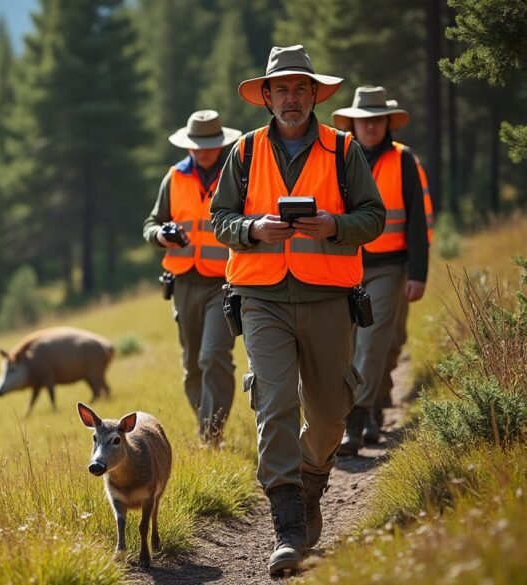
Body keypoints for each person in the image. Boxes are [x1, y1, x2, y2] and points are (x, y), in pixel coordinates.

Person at [210, 45, 385, 576]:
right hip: (260, 299)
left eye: (300, 89)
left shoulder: (342, 149)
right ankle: (287, 525)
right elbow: (220, 219)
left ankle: (310, 481)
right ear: (266, 97)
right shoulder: (241, 153)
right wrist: (252, 229)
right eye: (281, 89)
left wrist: (335, 225)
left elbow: (373, 217)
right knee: (275, 405)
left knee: (332, 413)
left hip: (330, 298)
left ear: (315, 95)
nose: (291, 98)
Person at [332, 87, 433, 455]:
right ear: (354, 124)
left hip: (390, 266)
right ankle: (371, 409)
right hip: (345, 266)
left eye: (377, 120)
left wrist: (418, 272)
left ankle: (356, 421)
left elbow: (419, 220)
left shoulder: (404, 160)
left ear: (386, 123)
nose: (371, 126)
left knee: (375, 343)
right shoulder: (340, 158)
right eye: (364, 120)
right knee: (352, 345)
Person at [143, 110, 240, 445]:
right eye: (196, 145)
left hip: (224, 282)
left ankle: (211, 434)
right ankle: (207, 428)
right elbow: (151, 223)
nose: (201, 151)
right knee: (192, 365)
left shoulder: (236, 176)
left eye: (208, 145)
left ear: (220, 144)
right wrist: (161, 236)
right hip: (183, 282)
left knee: (213, 356)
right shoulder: (174, 177)